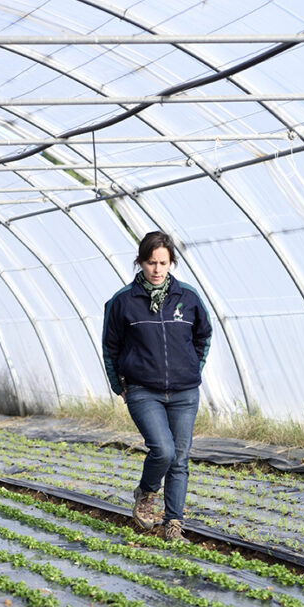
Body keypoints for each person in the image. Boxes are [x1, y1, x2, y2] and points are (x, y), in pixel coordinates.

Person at [102, 231, 212, 542]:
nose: (157, 269)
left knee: (179, 458)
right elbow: (110, 346)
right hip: (142, 390)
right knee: (162, 450)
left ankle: (173, 523)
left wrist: (194, 368)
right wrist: (118, 384)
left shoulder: (188, 298)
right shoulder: (123, 301)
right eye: (151, 262)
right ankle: (147, 493)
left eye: (163, 262)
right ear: (140, 262)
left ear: (171, 263)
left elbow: (203, 336)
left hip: (184, 392)